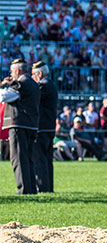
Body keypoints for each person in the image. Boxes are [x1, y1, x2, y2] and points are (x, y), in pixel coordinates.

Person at [1, 58, 40, 194]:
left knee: (18, 158)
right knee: (28, 158)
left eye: (12, 71)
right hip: (31, 125)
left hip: (19, 124)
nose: (10, 74)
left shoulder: (20, 83)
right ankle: (30, 189)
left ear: (17, 71)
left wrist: (3, 84)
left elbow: (4, 96)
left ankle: (23, 189)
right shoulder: (33, 84)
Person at [31, 61, 57, 193]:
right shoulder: (51, 85)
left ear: (39, 74)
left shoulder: (43, 86)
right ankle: (48, 187)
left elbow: (33, 98)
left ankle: (42, 187)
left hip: (41, 128)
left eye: (33, 75)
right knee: (47, 159)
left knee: (39, 159)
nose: (32, 79)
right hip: (49, 128)